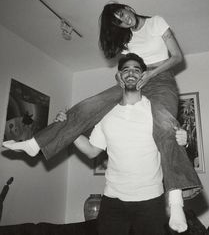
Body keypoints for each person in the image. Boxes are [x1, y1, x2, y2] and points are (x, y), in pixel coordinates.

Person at [2, 2, 202, 200]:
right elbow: (123, 69)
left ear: (128, 8)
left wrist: (149, 75)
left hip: (160, 80)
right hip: (136, 80)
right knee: (88, 105)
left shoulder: (156, 22)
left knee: (163, 123)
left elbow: (177, 57)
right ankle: (35, 143)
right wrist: (122, 81)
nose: (124, 20)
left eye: (122, 14)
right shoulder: (127, 41)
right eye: (119, 23)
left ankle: (177, 197)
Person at [61, 54, 187, 234]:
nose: (131, 73)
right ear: (119, 77)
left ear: (143, 76)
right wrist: (69, 130)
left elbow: (172, 142)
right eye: (126, 70)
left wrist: (182, 138)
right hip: (113, 202)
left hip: (151, 200)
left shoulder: (156, 109)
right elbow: (91, 151)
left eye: (137, 70)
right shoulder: (106, 114)